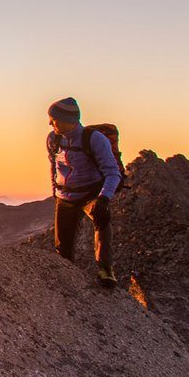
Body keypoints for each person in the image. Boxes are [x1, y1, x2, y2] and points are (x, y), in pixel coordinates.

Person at [47, 97, 122, 286]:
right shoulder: (53, 138)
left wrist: (104, 199)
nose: (50, 123)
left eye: (53, 119)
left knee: (102, 219)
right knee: (62, 246)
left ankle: (106, 269)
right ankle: (66, 276)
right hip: (65, 197)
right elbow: (53, 166)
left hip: (91, 194)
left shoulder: (95, 139)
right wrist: (55, 191)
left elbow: (112, 172)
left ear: (67, 120)